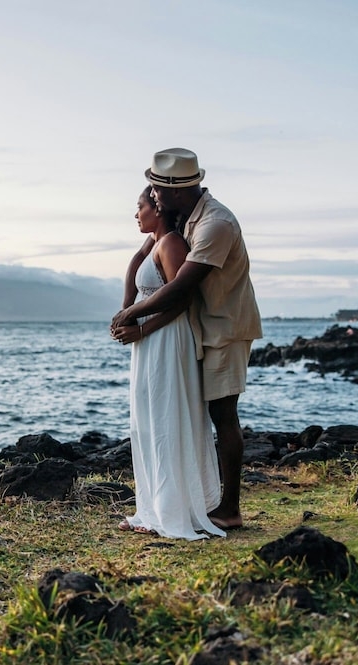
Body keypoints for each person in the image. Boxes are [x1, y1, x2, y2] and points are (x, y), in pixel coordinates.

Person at [112, 148, 263, 530]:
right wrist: (130, 305)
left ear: (176, 193)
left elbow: (183, 285)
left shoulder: (216, 224)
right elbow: (142, 257)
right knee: (188, 414)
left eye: (158, 192)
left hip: (224, 328)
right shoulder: (185, 217)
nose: (153, 196)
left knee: (222, 415)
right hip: (199, 327)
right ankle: (185, 499)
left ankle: (228, 508)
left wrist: (133, 315)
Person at [115, 185, 225, 540]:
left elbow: (181, 300)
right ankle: (152, 507)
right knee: (146, 420)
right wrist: (127, 312)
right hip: (149, 340)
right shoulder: (156, 244)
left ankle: (173, 511)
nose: (136, 214)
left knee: (165, 418)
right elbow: (135, 267)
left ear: (157, 209)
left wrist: (142, 329)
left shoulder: (173, 243)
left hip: (165, 338)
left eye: (140, 206)